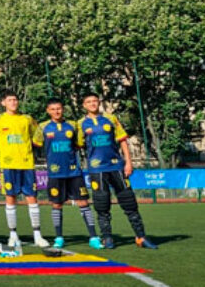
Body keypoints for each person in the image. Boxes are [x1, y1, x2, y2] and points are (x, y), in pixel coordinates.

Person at [79, 93, 157, 249]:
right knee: (102, 204)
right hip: (96, 169)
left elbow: (123, 141)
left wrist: (128, 162)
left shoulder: (110, 118)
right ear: (84, 105)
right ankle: (107, 238)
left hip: (116, 166)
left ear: (99, 102)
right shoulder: (80, 124)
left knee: (129, 202)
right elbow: (79, 144)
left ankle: (141, 237)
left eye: (95, 101)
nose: (93, 104)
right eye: (89, 102)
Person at [33, 98, 101, 250]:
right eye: (53, 109)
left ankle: (93, 237)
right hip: (55, 173)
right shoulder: (42, 127)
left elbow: (78, 144)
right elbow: (37, 144)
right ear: (48, 111)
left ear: (63, 109)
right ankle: (59, 237)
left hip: (74, 171)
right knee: (57, 204)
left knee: (83, 203)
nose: (56, 111)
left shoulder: (73, 125)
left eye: (59, 108)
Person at [0, 91, 48, 247]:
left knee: (32, 198)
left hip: (26, 164)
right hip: (8, 165)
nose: (13, 102)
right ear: (3, 103)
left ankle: (37, 235)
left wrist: (37, 144)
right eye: (10, 100)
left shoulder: (27, 119)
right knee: (10, 198)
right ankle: (13, 235)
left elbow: (38, 135)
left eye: (15, 99)